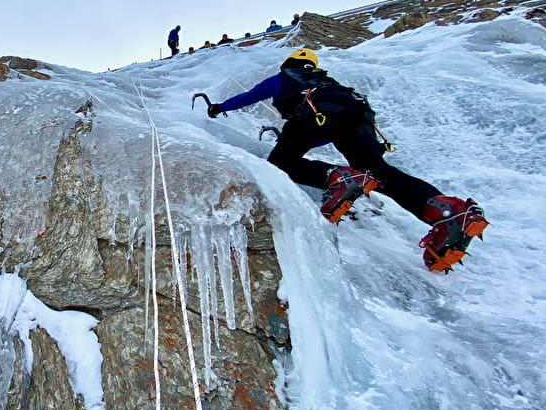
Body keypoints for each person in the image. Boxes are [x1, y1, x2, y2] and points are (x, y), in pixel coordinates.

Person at [205, 48, 488, 272]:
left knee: (281, 162)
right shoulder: (329, 82)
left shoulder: (286, 77)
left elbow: (250, 96)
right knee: (379, 171)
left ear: (289, 63)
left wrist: (219, 108)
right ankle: (447, 211)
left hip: (315, 112)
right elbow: (331, 129)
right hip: (358, 114)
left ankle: (337, 178)